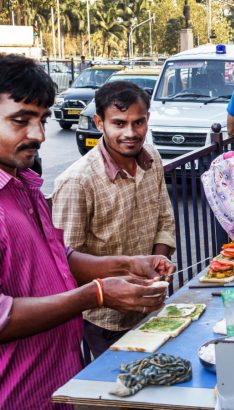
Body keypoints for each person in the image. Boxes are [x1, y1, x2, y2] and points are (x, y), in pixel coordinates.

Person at [0, 54, 175, 410]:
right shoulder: (76, 180)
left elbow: (58, 258)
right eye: (21, 121)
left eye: (42, 120)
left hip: (57, 384)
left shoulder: (24, 186)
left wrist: (127, 264)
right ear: (100, 123)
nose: (38, 135)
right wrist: (95, 295)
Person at [52, 81, 176, 357]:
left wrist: (158, 267)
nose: (130, 133)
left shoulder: (152, 158)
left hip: (154, 305)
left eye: (138, 122)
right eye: (119, 123)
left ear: (147, 120)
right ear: (99, 123)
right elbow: (64, 262)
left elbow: (165, 221)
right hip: (105, 319)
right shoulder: (77, 181)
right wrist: (123, 280)